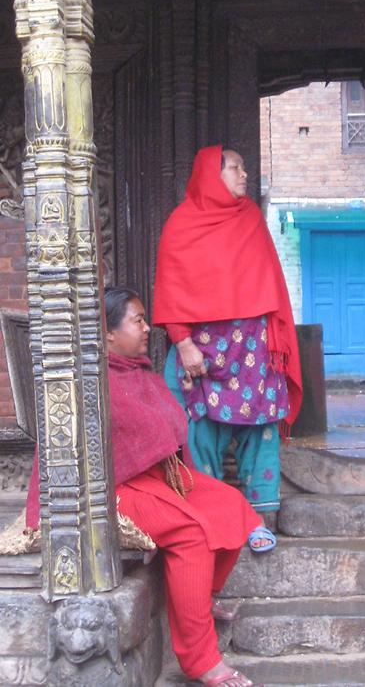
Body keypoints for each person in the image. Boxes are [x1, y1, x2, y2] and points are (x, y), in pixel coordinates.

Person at [26, 287, 260, 687]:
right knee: (192, 532)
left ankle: (200, 598)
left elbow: (159, 433)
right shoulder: (88, 380)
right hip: (107, 492)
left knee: (230, 504)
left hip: (153, 476)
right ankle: (200, 660)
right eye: (137, 320)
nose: (148, 327)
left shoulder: (134, 370)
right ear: (109, 332)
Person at [152, 146, 302, 553]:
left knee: (262, 430)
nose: (244, 174)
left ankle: (258, 521)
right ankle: (211, 522)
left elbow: (269, 284)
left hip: (254, 352)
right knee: (197, 432)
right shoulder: (182, 223)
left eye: (244, 168)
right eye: (236, 168)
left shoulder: (250, 217)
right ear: (210, 173)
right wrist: (183, 344)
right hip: (202, 355)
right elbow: (172, 287)